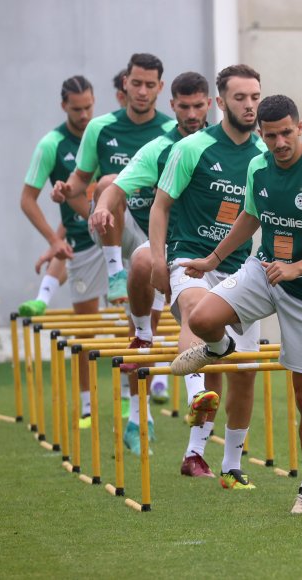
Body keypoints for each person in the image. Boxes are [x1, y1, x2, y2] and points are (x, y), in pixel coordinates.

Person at [170, 95, 302, 513]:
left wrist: (298, 269)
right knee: (201, 318)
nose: (278, 143)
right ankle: (221, 349)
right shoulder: (259, 166)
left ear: (300, 127)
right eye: (270, 136)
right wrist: (213, 260)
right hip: (263, 270)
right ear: (261, 134)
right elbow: (251, 217)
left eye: (286, 133)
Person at [151, 64, 266, 486]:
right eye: (240, 97)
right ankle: (194, 390)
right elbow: (160, 206)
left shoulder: (264, 156)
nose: (249, 105)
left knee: (244, 370)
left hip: (240, 272)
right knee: (196, 311)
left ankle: (225, 462)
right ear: (221, 103)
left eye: (255, 97)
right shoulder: (193, 148)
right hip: (189, 259)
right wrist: (160, 263)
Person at [88, 71, 212, 455]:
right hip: (156, 242)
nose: (191, 113)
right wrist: (102, 207)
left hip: (217, 254)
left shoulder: (233, 146)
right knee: (144, 266)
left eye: (198, 105)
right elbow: (110, 186)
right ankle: (141, 332)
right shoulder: (154, 145)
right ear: (171, 105)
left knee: (235, 363)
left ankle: (209, 450)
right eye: (184, 106)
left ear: (210, 104)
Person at [52, 53, 175, 306]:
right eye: (137, 83)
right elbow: (80, 179)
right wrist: (67, 188)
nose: (142, 91)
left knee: (144, 326)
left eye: (150, 85)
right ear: (125, 82)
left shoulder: (171, 131)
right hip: (112, 223)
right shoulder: (99, 128)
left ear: (160, 87)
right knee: (109, 183)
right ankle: (115, 271)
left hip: (154, 228)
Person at [20, 75, 105, 428]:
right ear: (63, 106)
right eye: (76, 109)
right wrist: (54, 244)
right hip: (83, 239)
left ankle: (149, 392)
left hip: (117, 232)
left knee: (144, 314)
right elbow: (27, 200)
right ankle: (86, 406)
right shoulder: (51, 144)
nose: (84, 114)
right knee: (85, 328)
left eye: (89, 107)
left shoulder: (104, 135)